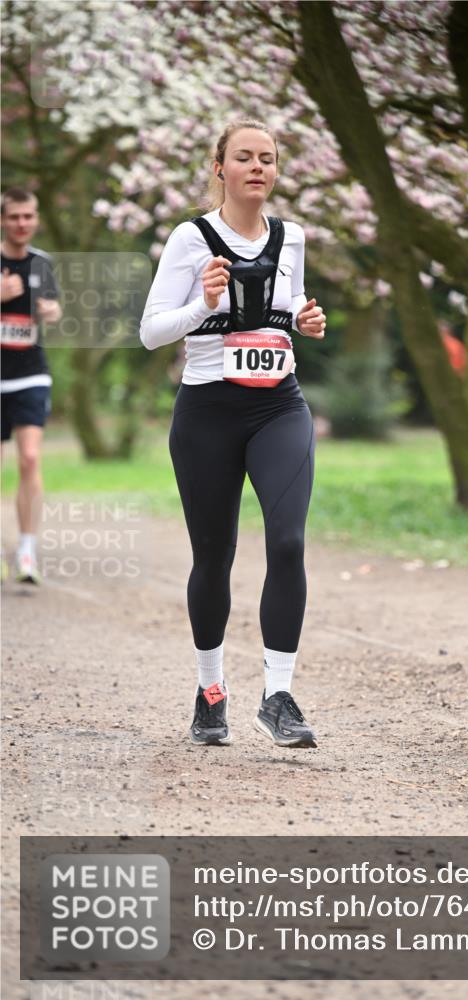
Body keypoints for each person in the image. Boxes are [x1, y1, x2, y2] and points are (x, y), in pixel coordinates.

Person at [140, 118, 326, 749]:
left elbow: (287, 314)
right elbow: (152, 331)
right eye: (243, 157)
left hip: (279, 405)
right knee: (214, 557)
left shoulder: (293, 237)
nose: (257, 167)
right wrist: (203, 303)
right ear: (218, 167)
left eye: (267, 158)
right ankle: (211, 693)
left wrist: (306, 319)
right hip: (207, 412)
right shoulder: (189, 239)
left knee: (289, 539)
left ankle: (278, 696)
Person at [1, 188, 62, 584]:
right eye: (14, 217)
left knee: (29, 459)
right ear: (3, 220)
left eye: (29, 216)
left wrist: (52, 311)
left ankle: (26, 552)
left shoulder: (43, 264)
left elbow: (54, 310)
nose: (22, 223)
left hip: (31, 373)